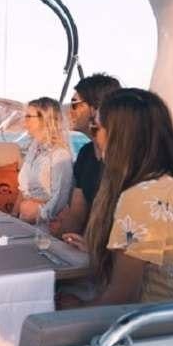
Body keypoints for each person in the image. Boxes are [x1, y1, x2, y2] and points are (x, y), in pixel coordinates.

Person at [62, 88, 173, 305]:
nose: (94, 137)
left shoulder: (139, 198)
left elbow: (122, 297)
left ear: (120, 137)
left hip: (149, 323)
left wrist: (75, 307)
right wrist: (99, 249)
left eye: (96, 128)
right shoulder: (165, 183)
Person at [58, 73, 121, 236]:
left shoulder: (125, 159)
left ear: (97, 108)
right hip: (87, 245)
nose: (69, 111)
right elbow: (77, 216)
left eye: (75, 104)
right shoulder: (86, 154)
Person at [12, 97, 73, 224]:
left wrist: (39, 214)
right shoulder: (34, 148)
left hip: (45, 224)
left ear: (45, 119)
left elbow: (60, 198)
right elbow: (23, 190)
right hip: (25, 218)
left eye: (29, 116)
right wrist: (13, 217)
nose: (25, 120)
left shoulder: (60, 154)